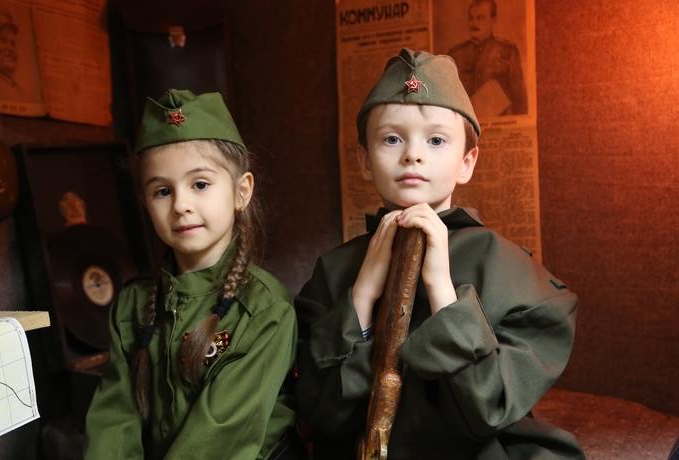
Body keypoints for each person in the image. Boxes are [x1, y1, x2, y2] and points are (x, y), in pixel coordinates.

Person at [294, 48, 585, 459]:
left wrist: (442, 292)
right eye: (392, 139)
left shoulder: (511, 271)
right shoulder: (333, 270)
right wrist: (361, 297)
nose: (413, 154)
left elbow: (485, 412)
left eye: (435, 140)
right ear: (364, 160)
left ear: (467, 162)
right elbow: (322, 411)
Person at [84, 90, 306, 459]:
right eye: (162, 191)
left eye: (200, 184)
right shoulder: (132, 304)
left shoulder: (265, 310)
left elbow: (219, 437)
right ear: (145, 203)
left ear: (241, 191)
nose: (181, 205)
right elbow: (114, 419)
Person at [447, 0, 528, 116]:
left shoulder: (508, 51)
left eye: (480, 18)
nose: (474, 23)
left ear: (493, 20)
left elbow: (520, 100)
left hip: (498, 123)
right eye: (471, 18)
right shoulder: (455, 53)